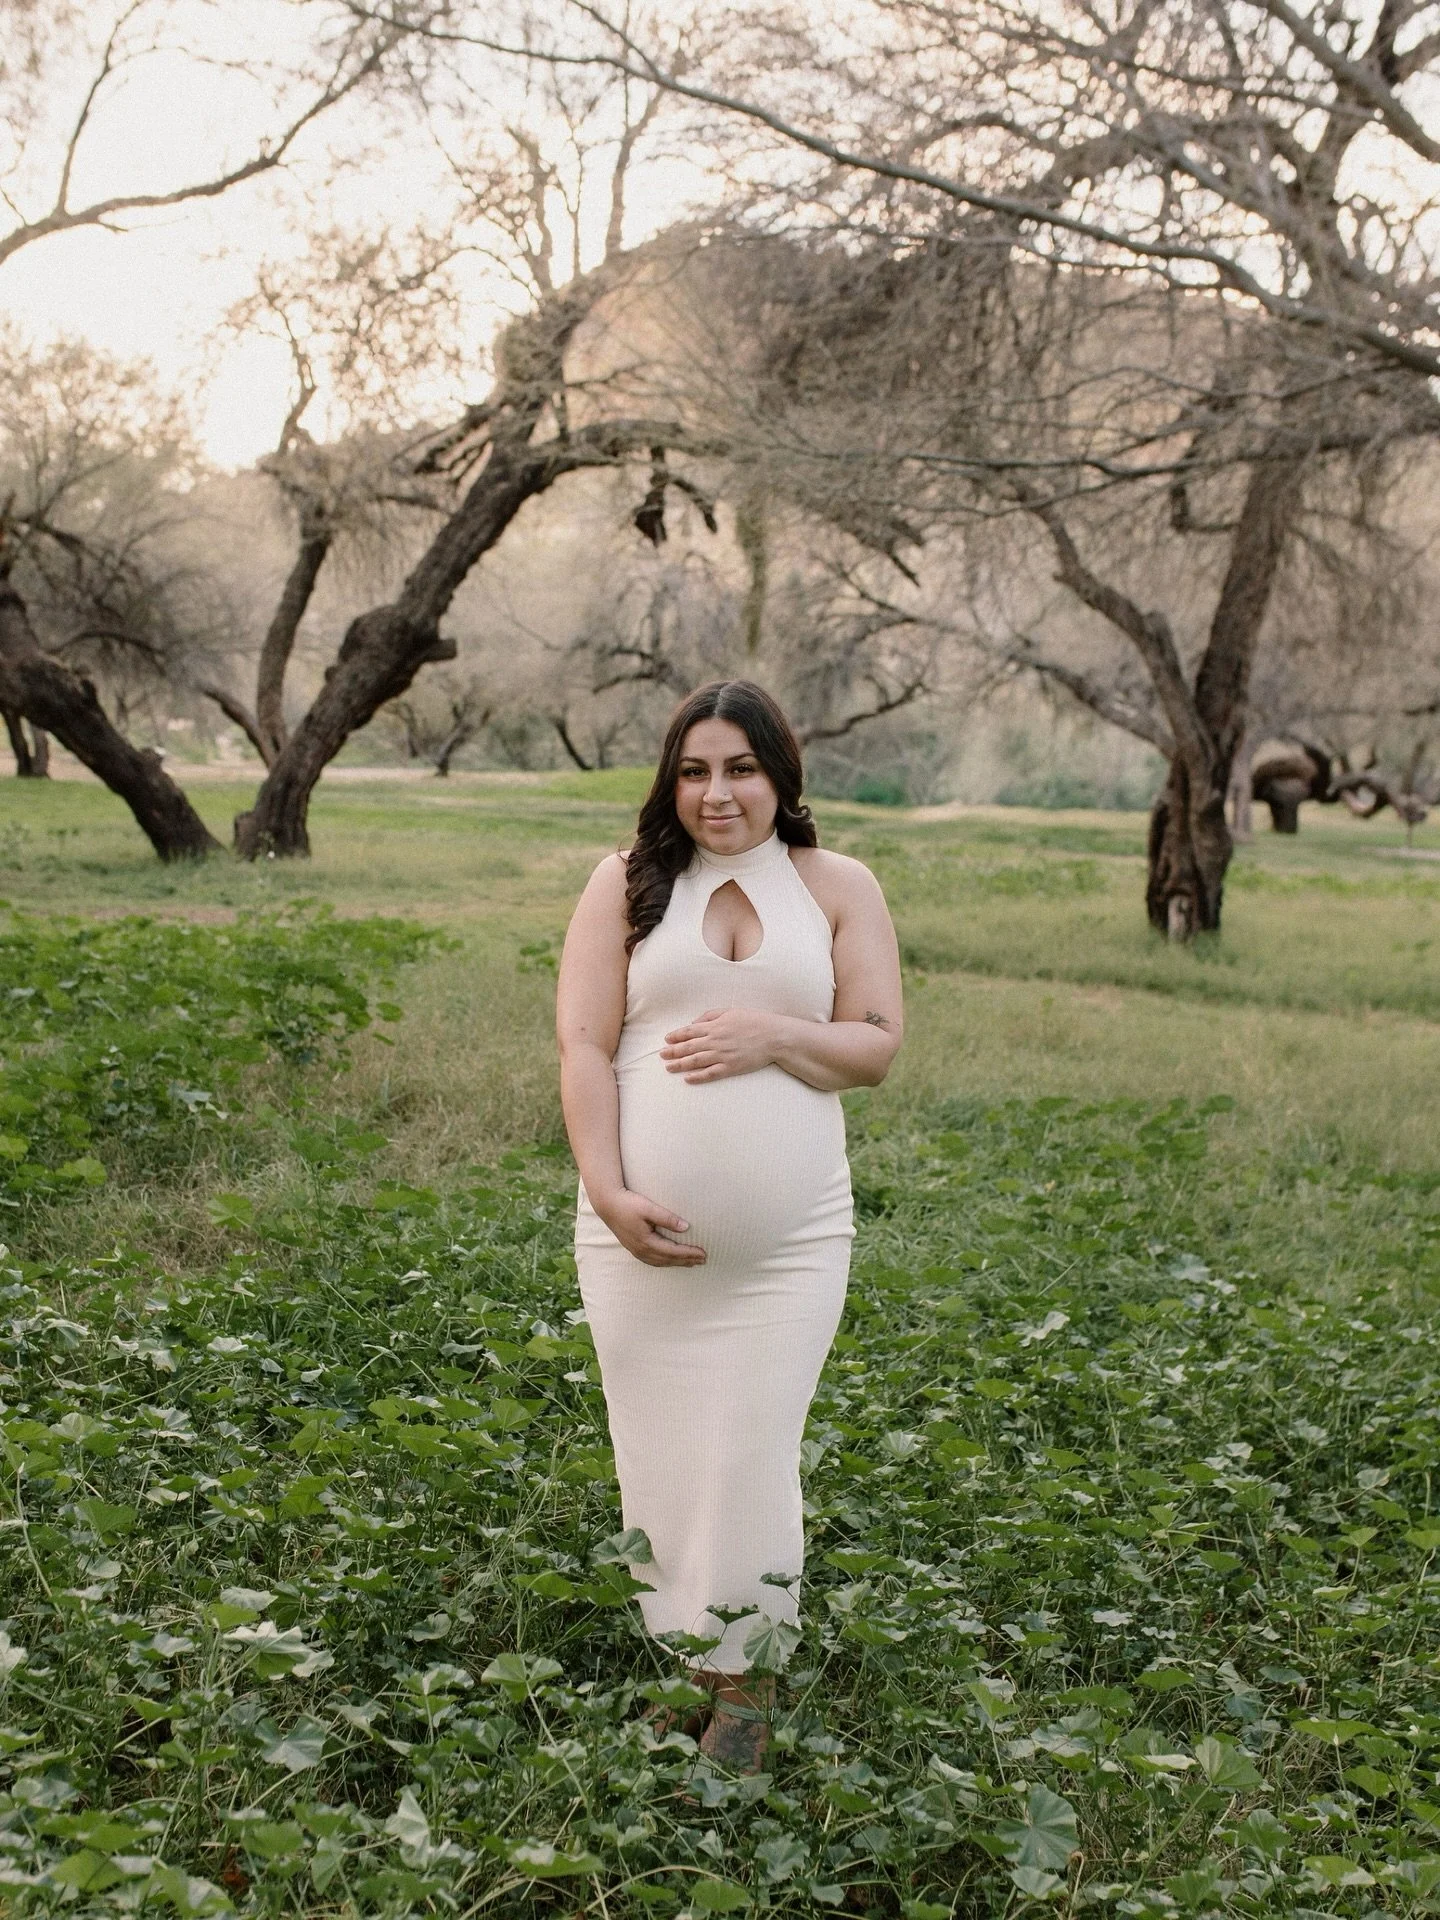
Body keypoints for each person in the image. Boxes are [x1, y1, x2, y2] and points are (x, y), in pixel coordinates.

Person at [556, 680, 903, 1770]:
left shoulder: (837, 885)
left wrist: (768, 1033)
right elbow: (581, 1049)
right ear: (671, 780)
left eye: (741, 768)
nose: (718, 793)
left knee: (750, 1450)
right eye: (695, 770)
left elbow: (878, 1045)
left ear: (781, 776)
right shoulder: (624, 884)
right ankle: (694, 1663)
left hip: (792, 1246)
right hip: (637, 1243)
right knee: (659, 1455)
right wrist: (610, 1195)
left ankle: (746, 1688)